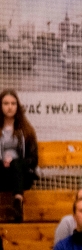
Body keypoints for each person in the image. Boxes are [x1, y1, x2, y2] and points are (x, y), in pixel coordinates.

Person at [0, 89, 39, 222]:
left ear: (17, 106)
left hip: (21, 175)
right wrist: (3, 161)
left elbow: (33, 159)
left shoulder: (26, 130)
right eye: (6, 103)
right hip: (2, 174)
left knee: (16, 163)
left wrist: (15, 162)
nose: (10, 107)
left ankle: (17, 205)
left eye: (13, 103)